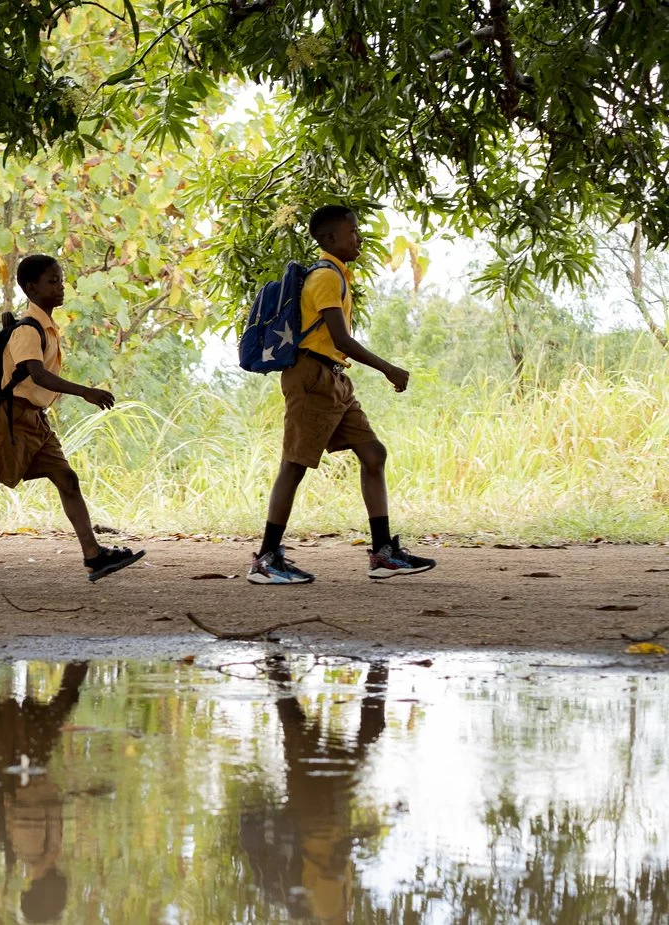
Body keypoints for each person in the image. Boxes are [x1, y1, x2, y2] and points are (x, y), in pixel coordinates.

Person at [249, 206, 435, 584]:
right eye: (352, 231)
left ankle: (383, 554)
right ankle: (266, 560)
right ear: (330, 239)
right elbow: (341, 339)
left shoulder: (336, 275)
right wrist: (389, 368)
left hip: (333, 378)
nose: (358, 237)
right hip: (312, 376)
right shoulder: (324, 278)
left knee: (373, 453)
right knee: (295, 464)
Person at [0, 254, 144, 583]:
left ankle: (94, 556)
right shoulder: (29, 329)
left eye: (60, 279)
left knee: (67, 479)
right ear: (31, 288)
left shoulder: (42, 326)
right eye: (52, 281)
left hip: (35, 420)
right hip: (12, 419)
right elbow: (37, 374)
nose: (60, 286)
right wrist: (85, 391)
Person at [236, 655, 390, 924]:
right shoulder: (309, 907)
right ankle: (274, 658)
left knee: (353, 732)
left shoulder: (327, 910)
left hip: (318, 815)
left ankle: (379, 662)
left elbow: (331, 865)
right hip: (310, 812)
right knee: (295, 725)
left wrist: (359, 836)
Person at [0, 660, 89, 923]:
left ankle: (83, 655)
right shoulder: (31, 857)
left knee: (63, 699)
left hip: (28, 762)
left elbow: (38, 806)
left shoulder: (38, 854)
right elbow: (24, 809)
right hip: (23, 764)